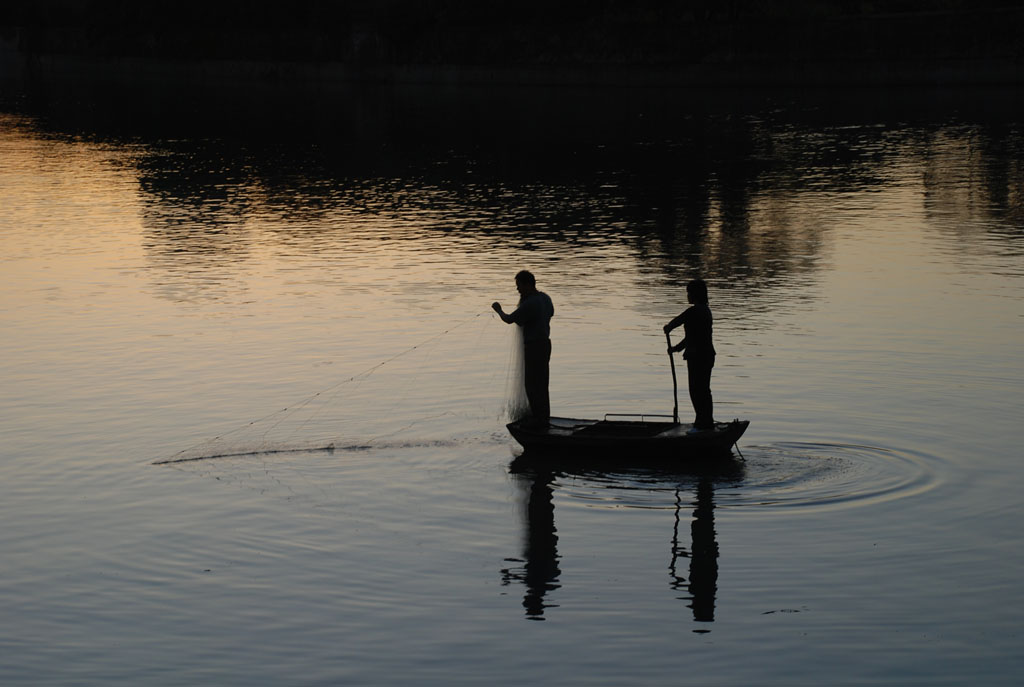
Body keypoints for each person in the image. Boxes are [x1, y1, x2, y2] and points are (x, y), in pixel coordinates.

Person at [492, 270, 554, 427]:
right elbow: (550, 314)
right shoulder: (545, 299)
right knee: (542, 383)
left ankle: (538, 419)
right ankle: (544, 416)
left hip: (533, 347)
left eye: (519, 286)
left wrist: (498, 309)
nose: (517, 290)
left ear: (528, 284)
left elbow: (509, 319)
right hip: (545, 345)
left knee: (532, 385)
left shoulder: (530, 303)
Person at [664, 278, 716, 430]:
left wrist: (668, 327)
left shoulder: (695, 311)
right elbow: (691, 337)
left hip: (698, 357)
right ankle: (705, 421)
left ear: (695, 294)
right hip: (707, 355)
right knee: (704, 390)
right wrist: (675, 348)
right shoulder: (706, 311)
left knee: (696, 390)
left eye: (689, 293)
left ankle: (702, 422)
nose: (687, 296)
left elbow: (678, 321)